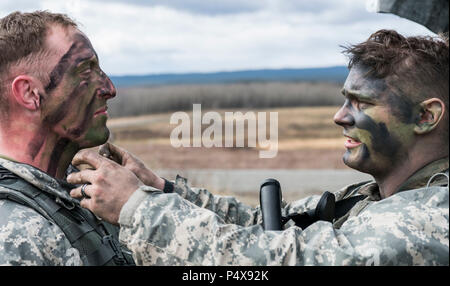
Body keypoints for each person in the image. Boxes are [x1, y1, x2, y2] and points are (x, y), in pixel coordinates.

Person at [67, 29, 449, 266]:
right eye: (345, 100)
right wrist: (160, 187)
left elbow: (278, 259)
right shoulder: (377, 198)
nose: (340, 116)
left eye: (361, 103)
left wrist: (137, 208)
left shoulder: (430, 221)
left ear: (425, 117)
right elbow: (266, 226)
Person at [0, 11, 135, 265]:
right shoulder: (14, 233)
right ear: (30, 93)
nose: (109, 88)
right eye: (85, 71)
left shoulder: (85, 193)